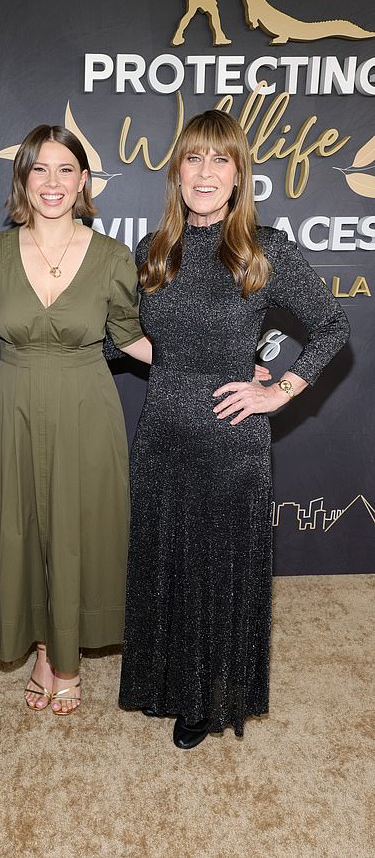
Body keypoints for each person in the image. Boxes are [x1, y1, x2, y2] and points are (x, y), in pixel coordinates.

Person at [118, 109, 349, 748]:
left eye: (221, 159)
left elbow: (333, 328)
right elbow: (129, 336)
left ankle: (209, 697)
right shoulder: (153, 252)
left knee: (219, 570)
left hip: (231, 440)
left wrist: (277, 391)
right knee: (165, 563)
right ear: (177, 171)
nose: (206, 172)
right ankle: (165, 684)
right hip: (162, 432)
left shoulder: (262, 249)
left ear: (239, 174)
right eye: (194, 158)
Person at [0, 125, 152, 714]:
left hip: (86, 404)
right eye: (39, 169)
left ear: (83, 181)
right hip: (15, 402)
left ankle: (70, 656)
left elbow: (132, 338)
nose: (52, 182)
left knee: (80, 530)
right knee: (21, 526)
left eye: (65, 170)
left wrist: (213, 364)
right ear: (23, 177)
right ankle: (45, 650)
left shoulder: (111, 256)